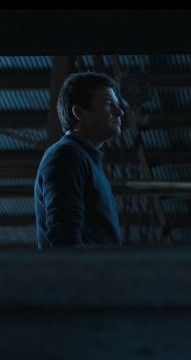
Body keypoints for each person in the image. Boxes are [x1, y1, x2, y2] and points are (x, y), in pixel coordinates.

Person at [35, 72, 124, 248]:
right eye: (108, 104)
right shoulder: (66, 155)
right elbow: (65, 238)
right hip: (81, 267)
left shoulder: (82, 157)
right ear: (79, 112)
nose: (119, 112)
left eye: (117, 105)